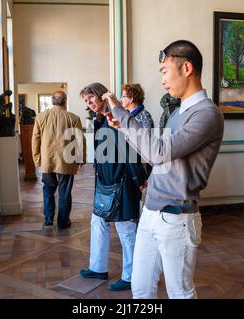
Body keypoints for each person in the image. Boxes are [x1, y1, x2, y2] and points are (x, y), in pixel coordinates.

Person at [102, 40, 225, 299]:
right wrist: (122, 125)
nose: (162, 80)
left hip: (176, 218)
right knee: (141, 288)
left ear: (187, 68)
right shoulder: (178, 111)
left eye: (164, 71)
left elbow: (158, 152)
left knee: (179, 292)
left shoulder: (207, 114)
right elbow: (158, 153)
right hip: (151, 212)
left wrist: (122, 114)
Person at [78, 83, 147, 292]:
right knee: (97, 221)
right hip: (105, 181)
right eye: (85, 101)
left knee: (126, 230)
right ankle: (98, 268)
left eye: (91, 98)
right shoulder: (98, 119)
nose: (89, 103)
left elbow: (130, 151)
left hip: (123, 181)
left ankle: (132, 276)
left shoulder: (114, 116)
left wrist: (140, 179)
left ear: (101, 96)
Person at [31, 91, 85, 230]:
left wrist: (37, 159)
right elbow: (80, 140)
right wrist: (81, 158)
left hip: (47, 160)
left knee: (48, 190)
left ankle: (48, 219)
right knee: (65, 192)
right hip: (66, 161)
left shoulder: (41, 117)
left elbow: (35, 140)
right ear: (65, 102)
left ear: (52, 102)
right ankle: (63, 222)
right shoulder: (73, 118)